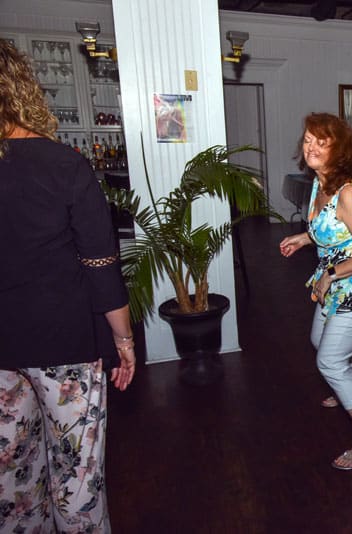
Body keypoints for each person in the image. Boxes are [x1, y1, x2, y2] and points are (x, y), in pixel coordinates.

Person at [0, 41, 135, 532]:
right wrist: (124, 340)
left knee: (13, 478)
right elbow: (101, 265)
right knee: (77, 475)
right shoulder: (63, 164)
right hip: (65, 342)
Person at [279, 112, 352, 471]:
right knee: (319, 341)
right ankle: (351, 387)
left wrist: (329, 272)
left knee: (329, 361)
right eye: (307, 140)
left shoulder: (349, 193)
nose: (310, 147)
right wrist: (304, 238)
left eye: (320, 142)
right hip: (336, 281)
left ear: (338, 149)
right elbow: (330, 228)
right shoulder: (319, 183)